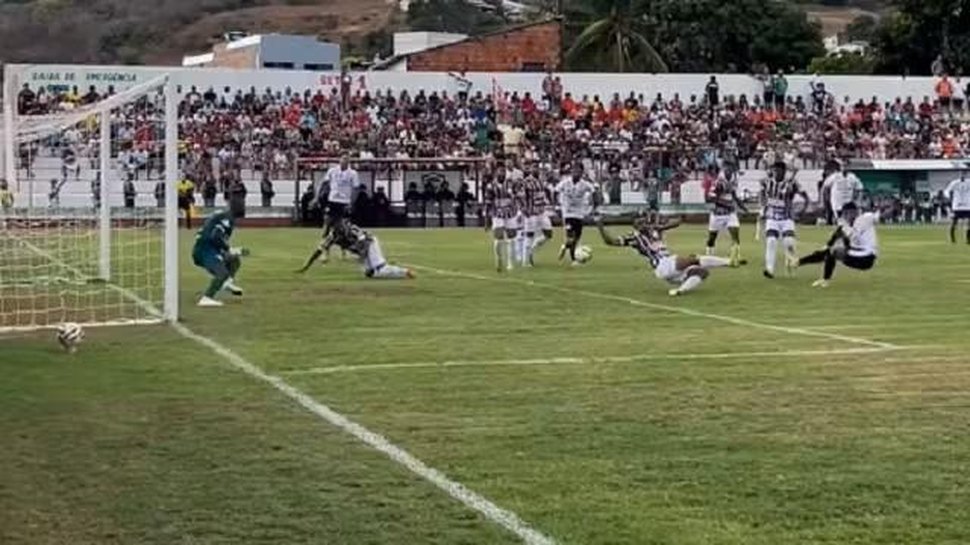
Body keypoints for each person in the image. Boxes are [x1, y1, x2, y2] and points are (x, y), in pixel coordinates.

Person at [597, 213, 738, 297]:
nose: (643, 224)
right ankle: (729, 262)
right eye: (639, 223)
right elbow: (610, 242)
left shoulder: (655, 230)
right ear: (635, 226)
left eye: (644, 222)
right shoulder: (634, 237)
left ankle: (680, 291)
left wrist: (677, 219)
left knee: (702, 272)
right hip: (662, 265)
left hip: (669, 267)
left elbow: (676, 223)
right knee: (692, 259)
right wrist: (600, 226)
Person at [796, 202, 878, 288]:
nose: (844, 216)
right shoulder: (847, 225)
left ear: (853, 212)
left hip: (867, 256)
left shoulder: (865, 219)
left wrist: (877, 211)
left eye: (846, 213)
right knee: (829, 252)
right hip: (857, 255)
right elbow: (838, 234)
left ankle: (824, 279)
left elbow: (874, 217)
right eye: (844, 213)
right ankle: (799, 262)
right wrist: (828, 245)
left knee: (833, 251)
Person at [297, 221, 414, 280]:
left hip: (370, 243)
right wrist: (306, 266)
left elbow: (364, 243)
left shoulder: (352, 230)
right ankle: (386, 265)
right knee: (371, 274)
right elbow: (318, 251)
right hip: (360, 249)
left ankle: (405, 272)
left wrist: (362, 258)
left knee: (379, 269)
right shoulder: (332, 237)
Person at [760, 161, 809, 278]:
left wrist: (802, 210)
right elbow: (762, 196)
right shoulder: (766, 182)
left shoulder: (792, 184)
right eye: (774, 170)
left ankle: (790, 261)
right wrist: (763, 209)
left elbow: (805, 197)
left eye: (778, 171)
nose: (776, 173)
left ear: (784, 172)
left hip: (787, 218)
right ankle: (769, 269)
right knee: (771, 241)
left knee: (788, 242)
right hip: (772, 218)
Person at [191, 207, 247, 307]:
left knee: (234, 259)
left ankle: (226, 283)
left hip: (208, 249)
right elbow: (215, 236)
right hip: (205, 251)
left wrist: (229, 251)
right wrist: (229, 249)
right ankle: (207, 298)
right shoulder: (227, 219)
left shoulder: (221, 215)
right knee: (222, 273)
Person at [554, 162, 597, 265]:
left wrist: (595, 206)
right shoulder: (565, 182)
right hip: (567, 213)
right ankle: (573, 259)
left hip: (579, 213)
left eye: (578, 171)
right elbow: (555, 191)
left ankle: (565, 246)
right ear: (571, 171)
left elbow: (594, 191)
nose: (576, 173)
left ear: (582, 172)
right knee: (571, 236)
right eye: (574, 170)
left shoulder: (584, 184)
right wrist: (557, 205)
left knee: (576, 238)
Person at [705, 166, 748, 266]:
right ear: (724, 171)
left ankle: (736, 256)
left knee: (735, 234)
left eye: (730, 170)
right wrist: (725, 204)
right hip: (718, 214)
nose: (729, 172)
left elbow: (734, 196)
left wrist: (744, 208)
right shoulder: (718, 183)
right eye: (727, 170)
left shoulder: (733, 182)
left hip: (730, 214)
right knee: (712, 238)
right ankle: (709, 256)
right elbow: (710, 198)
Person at [944, 171, 970, 243]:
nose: (962, 175)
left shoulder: (969, 182)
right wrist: (949, 197)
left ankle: (967, 239)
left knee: (968, 223)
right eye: (961, 174)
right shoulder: (954, 183)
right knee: (954, 222)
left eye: (964, 174)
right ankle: (952, 239)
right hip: (957, 206)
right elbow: (946, 191)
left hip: (967, 206)